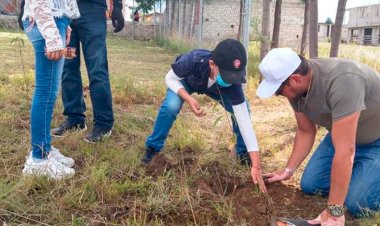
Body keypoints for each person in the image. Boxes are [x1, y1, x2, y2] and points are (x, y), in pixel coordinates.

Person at [257, 48, 380, 224]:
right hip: (341, 134)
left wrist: (335, 210)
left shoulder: (344, 80)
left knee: (356, 203)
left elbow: (346, 150)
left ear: (295, 79)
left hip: (376, 139)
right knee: (310, 185)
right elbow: (305, 130)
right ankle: (359, 175)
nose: (278, 95)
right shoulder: (297, 89)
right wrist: (288, 170)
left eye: (278, 90)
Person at [143, 39, 267, 193]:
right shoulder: (192, 60)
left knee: (243, 110)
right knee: (170, 107)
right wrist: (188, 98)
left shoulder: (231, 83)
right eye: (227, 76)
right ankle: (153, 149)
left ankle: (242, 153)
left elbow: (244, 122)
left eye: (234, 77)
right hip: (185, 82)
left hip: (216, 87)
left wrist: (256, 165)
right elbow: (170, 78)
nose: (232, 81)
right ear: (212, 64)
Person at [21, 0, 80, 179]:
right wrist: (52, 34)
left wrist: (65, 24)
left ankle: (44, 148)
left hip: (53, 20)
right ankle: (39, 159)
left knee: (48, 92)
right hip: (47, 20)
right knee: (46, 92)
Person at [52, 0, 123, 143]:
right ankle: (74, 119)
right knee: (67, 67)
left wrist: (117, 5)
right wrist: (24, 6)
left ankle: (104, 123)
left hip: (93, 10)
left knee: (97, 67)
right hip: (64, 10)